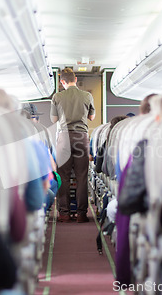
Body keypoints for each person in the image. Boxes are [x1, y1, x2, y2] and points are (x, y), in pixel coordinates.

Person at [51, 68, 95, 223]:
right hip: (81, 137)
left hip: (63, 137)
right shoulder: (87, 95)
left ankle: (64, 213)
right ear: (75, 79)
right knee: (82, 176)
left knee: (63, 176)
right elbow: (91, 116)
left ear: (62, 81)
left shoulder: (57, 96)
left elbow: (54, 119)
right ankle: (82, 214)